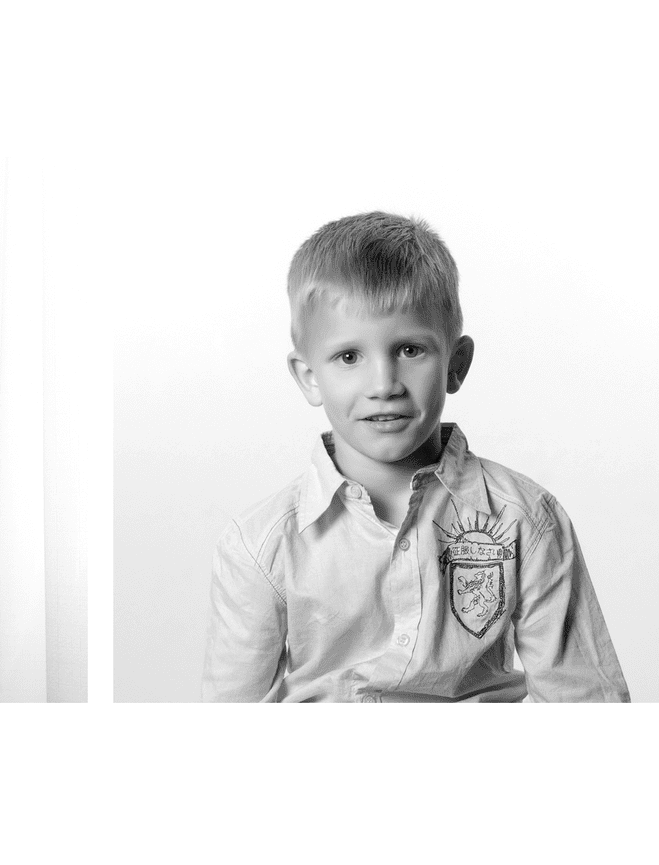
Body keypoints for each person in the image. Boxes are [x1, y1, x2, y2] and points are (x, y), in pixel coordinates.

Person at [202, 211, 628, 702]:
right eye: (348, 356)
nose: (384, 385)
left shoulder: (527, 521)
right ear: (308, 376)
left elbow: (588, 703)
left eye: (409, 349)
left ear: (456, 364)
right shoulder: (259, 547)